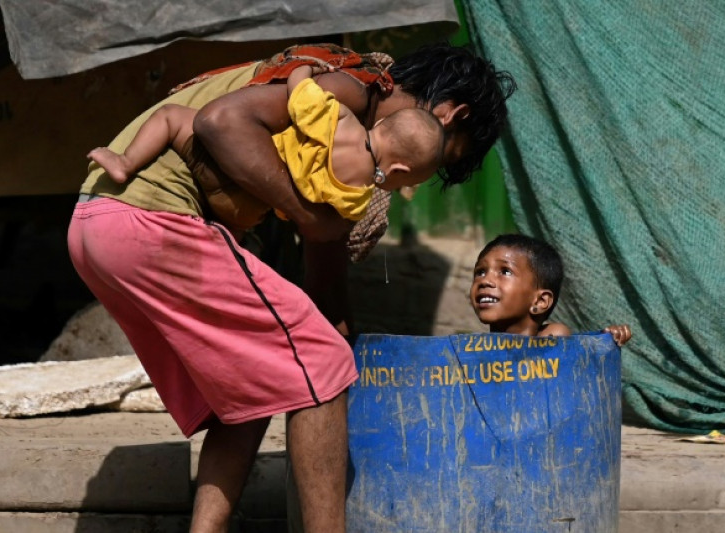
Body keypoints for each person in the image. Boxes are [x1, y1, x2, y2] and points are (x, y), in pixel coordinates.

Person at [68, 42, 516, 533]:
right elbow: (219, 123)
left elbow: (325, 264)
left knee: (259, 379)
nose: (413, 183)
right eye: (443, 160)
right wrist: (306, 219)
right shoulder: (347, 92)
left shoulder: (346, 147)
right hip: (152, 221)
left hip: (97, 225)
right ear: (450, 115)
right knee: (321, 362)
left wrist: (346, 336)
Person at [87, 64, 444, 232]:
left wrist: (303, 71)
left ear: (380, 126)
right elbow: (330, 218)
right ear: (398, 172)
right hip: (255, 209)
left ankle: (123, 162)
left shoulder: (343, 122)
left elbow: (302, 101)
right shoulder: (360, 194)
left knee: (169, 116)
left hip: (240, 173)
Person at [471, 233, 632, 345]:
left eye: (505, 271)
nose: (485, 280)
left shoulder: (553, 339)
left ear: (540, 301)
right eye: (480, 272)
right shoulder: (473, 353)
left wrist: (607, 340)